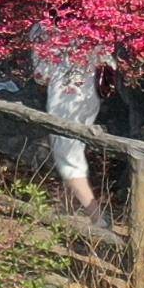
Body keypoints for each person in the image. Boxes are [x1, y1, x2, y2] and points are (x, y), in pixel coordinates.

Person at [29, 18, 108, 213]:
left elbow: (41, 76)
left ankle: (97, 217)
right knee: (74, 150)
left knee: (67, 157)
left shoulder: (42, 28)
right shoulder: (95, 20)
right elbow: (107, 62)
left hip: (62, 99)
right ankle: (67, 207)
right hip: (90, 97)